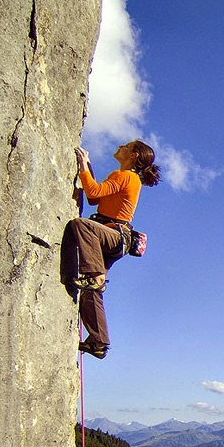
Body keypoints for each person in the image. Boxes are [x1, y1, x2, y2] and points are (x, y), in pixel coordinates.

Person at [61, 140, 160, 359]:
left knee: (81, 225)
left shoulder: (124, 176)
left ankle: (95, 276)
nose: (120, 145)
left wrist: (83, 165)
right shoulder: (126, 178)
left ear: (133, 155)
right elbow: (94, 197)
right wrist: (87, 168)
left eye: (126, 145)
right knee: (90, 290)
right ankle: (98, 342)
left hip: (114, 236)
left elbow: (94, 191)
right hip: (113, 238)